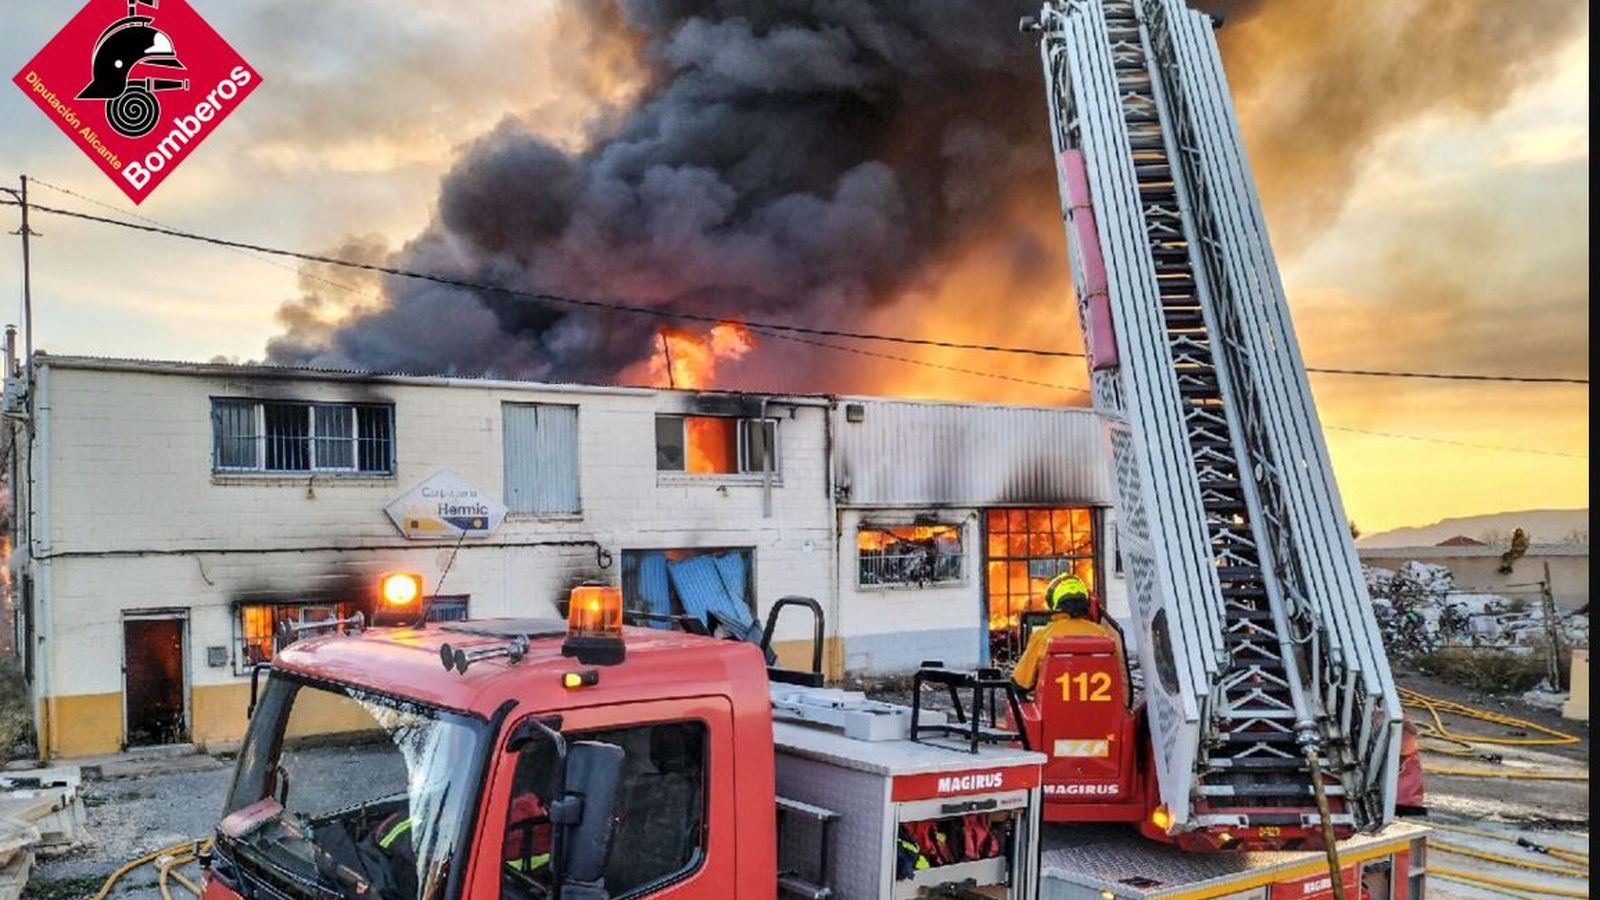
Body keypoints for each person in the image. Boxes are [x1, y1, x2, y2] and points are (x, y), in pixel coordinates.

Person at [1010, 573, 1106, 693]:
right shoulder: (1103, 634)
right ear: (1086, 604)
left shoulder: (1043, 635)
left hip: (1051, 710)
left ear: (1054, 604)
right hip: (1100, 709)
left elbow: (1020, 683)